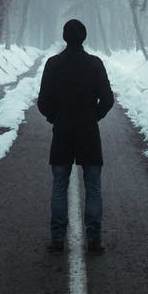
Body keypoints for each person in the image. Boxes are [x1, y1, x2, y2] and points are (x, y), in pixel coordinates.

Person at [37, 18, 114, 253]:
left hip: (62, 132)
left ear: (64, 37)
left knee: (60, 185)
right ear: (84, 37)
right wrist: (93, 116)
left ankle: (58, 238)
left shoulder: (53, 64)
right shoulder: (95, 64)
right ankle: (94, 239)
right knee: (93, 186)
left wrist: (55, 117)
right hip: (88, 132)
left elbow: (43, 102)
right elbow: (108, 99)